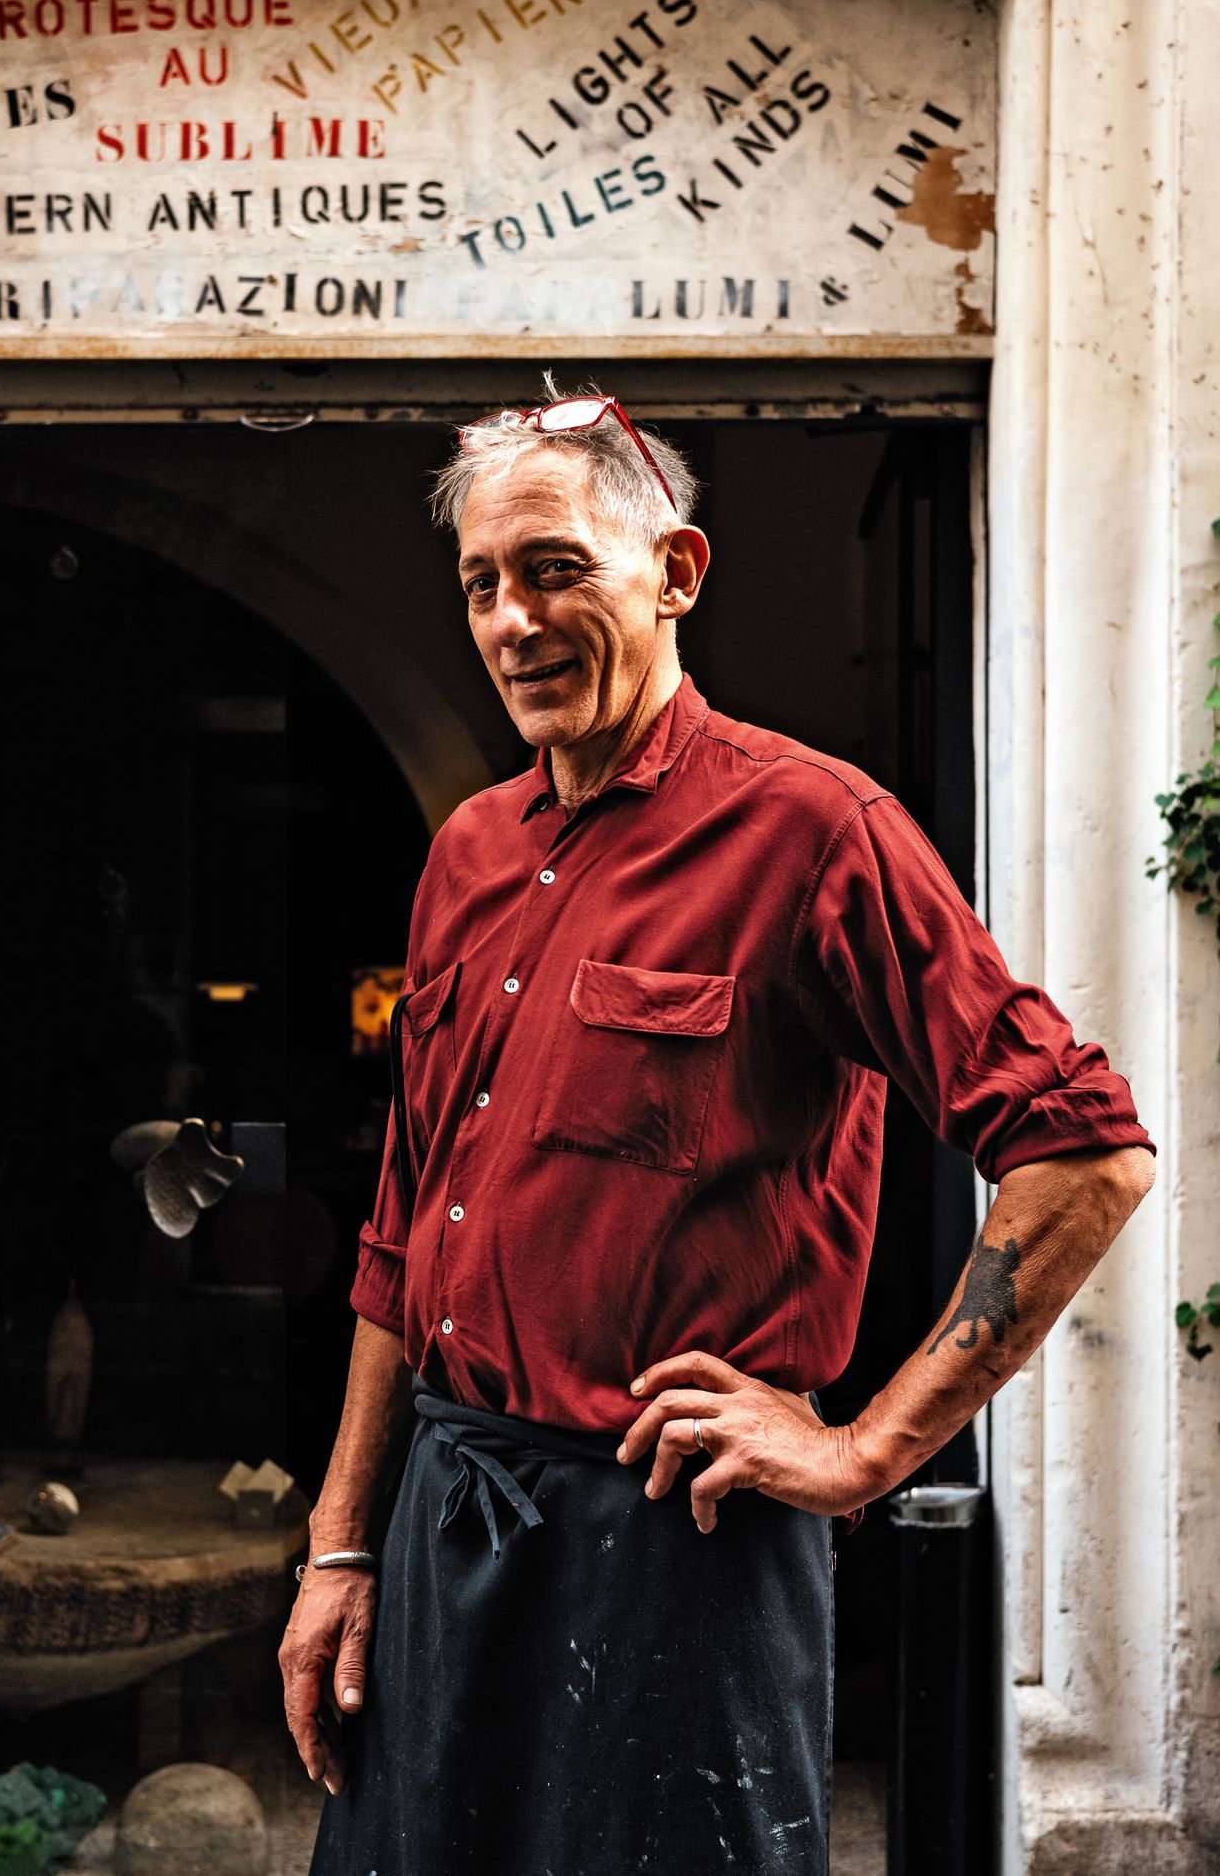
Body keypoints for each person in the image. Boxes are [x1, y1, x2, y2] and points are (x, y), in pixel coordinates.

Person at [281, 388, 1155, 1876]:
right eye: (484, 583)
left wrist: (868, 1448)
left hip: (674, 1554)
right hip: (446, 1519)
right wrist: (341, 1540)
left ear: (676, 572)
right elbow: (404, 1218)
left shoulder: (815, 830)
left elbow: (1083, 1147)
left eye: (555, 567)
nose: (511, 620)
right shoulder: (469, 853)